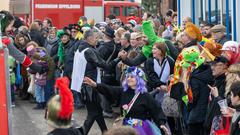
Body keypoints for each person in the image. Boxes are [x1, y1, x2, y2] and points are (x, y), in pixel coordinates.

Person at [83, 66, 170, 135]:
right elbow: (109, 89)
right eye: (127, 77)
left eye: (132, 77)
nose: (129, 79)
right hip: (124, 127)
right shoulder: (123, 91)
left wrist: (161, 123)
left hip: (140, 128)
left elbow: (156, 110)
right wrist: (95, 85)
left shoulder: (146, 96)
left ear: (139, 79)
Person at [71, 29, 120, 135]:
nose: (98, 40)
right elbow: (105, 66)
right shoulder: (89, 51)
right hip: (89, 87)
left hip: (83, 86)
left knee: (98, 113)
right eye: (96, 37)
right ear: (89, 38)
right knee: (93, 114)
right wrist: (118, 58)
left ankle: (105, 132)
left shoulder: (79, 48)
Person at [203, 56, 229, 135]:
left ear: (224, 66)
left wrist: (217, 96)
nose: (212, 68)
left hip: (218, 126)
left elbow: (225, 106)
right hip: (210, 124)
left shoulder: (226, 82)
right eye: (212, 65)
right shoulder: (216, 80)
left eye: (215, 65)